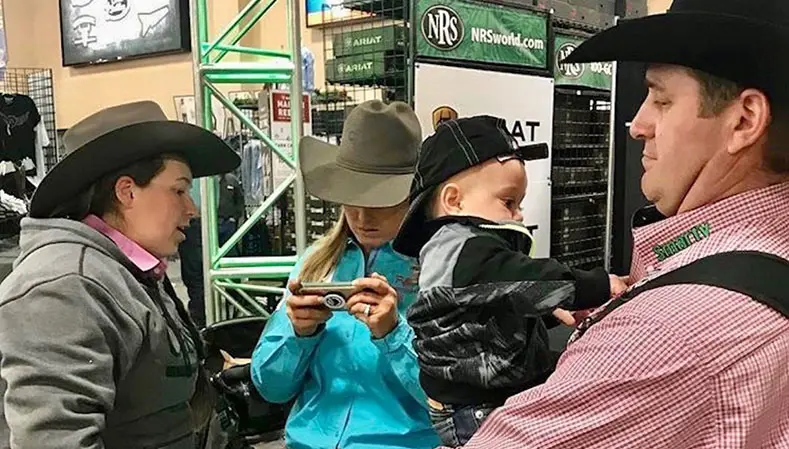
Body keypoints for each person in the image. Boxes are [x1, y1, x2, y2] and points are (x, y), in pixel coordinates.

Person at [450, 1, 789, 448]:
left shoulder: (666, 335)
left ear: (744, 120)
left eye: (662, 100)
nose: (637, 125)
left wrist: (622, 332)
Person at [0, 101, 241, 449]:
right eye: (179, 190)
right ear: (127, 192)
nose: (192, 209)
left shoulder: (126, 272)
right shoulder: (67, 287)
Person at [391, 115, 627, 447]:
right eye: (508, 202)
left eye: (520, 203)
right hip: (478, 406)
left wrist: (548, 310)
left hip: (473, 397)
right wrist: (599, 286)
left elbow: (489, 306)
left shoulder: (453, 250)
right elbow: (526, 277)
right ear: (454, 200)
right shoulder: (467, 250)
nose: (519, 215)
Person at [250, 100, 441, 449]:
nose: (363, 217)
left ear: (414, 197)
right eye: (351, 199)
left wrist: (393, 334)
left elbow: (447, 400)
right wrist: (298, 333)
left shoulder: (438, 270)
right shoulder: (314, 263)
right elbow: (270, 387)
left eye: (380, 202)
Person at [179, 171, 245, 328]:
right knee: (195, 273)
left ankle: (234, 310)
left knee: (230, 268)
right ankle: (199, 318)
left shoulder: (230, 180)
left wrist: (232, 219)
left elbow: (240, 204)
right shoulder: (192, 180)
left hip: (223, 226)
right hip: (195, 225)